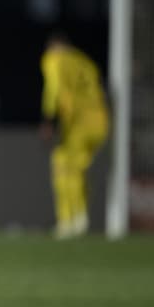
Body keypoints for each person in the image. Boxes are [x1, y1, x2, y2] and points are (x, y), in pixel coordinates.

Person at [39, 31, 109, 239]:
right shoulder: (85, 62)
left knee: (62, 164)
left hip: (77, 123)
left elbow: (54, 89)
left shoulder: (54, 59)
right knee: (77, 168)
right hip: (100, 122)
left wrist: (49, 119)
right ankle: (78, 217)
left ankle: (70, 219)